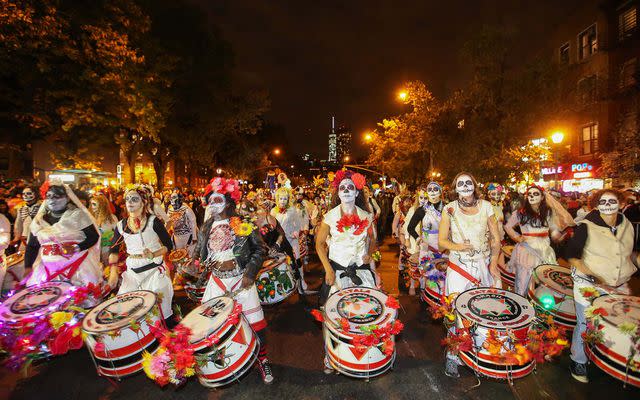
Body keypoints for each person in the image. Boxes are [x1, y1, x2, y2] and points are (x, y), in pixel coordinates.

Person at [196, 177, 273, 384]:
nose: (213, 204)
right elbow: (199, 256)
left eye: (217, 199)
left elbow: (259, 249)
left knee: (256, 325)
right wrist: (192, 266)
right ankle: (224, 364)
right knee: (212, 327)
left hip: (241, 281)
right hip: (216, 282)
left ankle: (262, 360)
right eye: (210, 200)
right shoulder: (205, 228)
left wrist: (250, 272)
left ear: (229, 202)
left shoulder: (243, 223)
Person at [564, 189, 639, 383]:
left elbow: (630, 253)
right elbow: (571, 255)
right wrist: (592, 275)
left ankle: (612, 357)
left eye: (612, 201)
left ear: (621, 204)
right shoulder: (586, 226)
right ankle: (578, 360)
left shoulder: (627, 224)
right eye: (603, 202)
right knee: (585, 322)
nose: (607, 205)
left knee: (621, 324)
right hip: (589, 284)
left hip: (619, 284)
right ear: (596, 205)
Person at [438, 172, 501, 378]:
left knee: (482, 310)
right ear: (455, 188)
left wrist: (493, 263)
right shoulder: (450, 209)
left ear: (474, 185)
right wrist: (458, 246)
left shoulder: (487, 207)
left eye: (468, 182)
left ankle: (478, 355)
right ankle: (453, 356)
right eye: (460, 183)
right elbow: (441, 242)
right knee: (456, 310)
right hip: (459, 267)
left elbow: (495, 239)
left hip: (482, 265)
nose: (464, 186)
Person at [315, 169, 376, 374]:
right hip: (337, 273)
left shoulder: (367, 216)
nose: (347, 190)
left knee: (364, 313)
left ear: (357, 192)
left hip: (362, 273)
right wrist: (328, 269)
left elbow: (373, 239)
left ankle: (361, 354)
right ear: (338, 193)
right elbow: (320, 244)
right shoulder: (330, 216)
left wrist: (369, 253)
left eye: (351, 187)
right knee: (333, 315)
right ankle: (329, 354)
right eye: (343, 188)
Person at [107, 185, 174, 324]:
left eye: (135, 199)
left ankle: (165, 335)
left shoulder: (153, 221)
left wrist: (154, 253)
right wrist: (113, 272)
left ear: (143, 202)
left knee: (159, 307)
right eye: (128, 199)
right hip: (132, 273)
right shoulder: (121, 225)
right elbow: (113, 250)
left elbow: (169, 245)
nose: (130, 202)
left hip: (154, 271)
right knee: (126, 308)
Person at [25, 180, 103, 289]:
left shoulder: (77, 215)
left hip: (77, 268)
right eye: (49, 196)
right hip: (47, 269)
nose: (52, 200)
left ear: (67, 198)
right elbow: (32, 245)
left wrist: (76, 248)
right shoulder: (39, 220)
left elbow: (93, 236)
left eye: (57, 196)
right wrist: (28, 267)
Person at [504, 185, 574, 295]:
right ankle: (522, 301)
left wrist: (557, 235)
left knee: (545, 278)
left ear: (542, 197)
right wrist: (517, 237)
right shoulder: (520, 213)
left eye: (535, 194)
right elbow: (507, 227)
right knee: (524, 278)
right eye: (529, 194)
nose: (531, 196)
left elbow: (553, 228)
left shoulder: (549, 212)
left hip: (545, 249)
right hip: (527, 250)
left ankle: (539, 302)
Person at [271, 187, 311, 294]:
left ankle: (301, 281)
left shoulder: (292, 210)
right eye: (281, 198)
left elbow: (297, 224)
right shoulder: (273, 212)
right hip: (280, 241)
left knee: (297, 261)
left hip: (291, 239)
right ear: (277, 199)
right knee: (282, 263)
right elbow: (272, 228)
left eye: (285, 199)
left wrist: (296, 233)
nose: (282, 201)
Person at [89, 193, 118, 266]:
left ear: (102, 205)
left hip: (107, 249)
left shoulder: (112, 218)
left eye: (94, 204)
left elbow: (118, 234)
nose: (92, 207)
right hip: (93, 250)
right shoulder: (89, 218)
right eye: (91, 204)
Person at [166, 190, 198, 256]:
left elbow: (193, 221)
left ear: (179, 199)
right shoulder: (170, 209)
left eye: (174, 197)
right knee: (178, 255)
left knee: (189, 255)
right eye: (171, 198)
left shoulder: (186, 208)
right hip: (177, 236)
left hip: (188, 235)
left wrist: (194, 236)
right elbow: (167, 222)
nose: (172, 199)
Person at [12, 186, 41, 251]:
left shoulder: (42, 207)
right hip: (25, 238)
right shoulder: (21, 208)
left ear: (35, 194)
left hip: (40, 237)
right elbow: (18, 224)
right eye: (23, 194)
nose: (25, 196)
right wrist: (17, 237)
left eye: (28, 193)